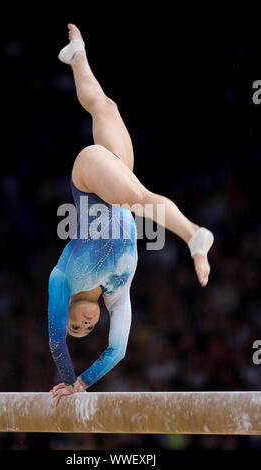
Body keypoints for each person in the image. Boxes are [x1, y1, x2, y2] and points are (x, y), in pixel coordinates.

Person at [49, 24, 214, 405]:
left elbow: (56, 339)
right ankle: (78, 55)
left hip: (89, 180)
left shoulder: (62, 280)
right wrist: (83, 383)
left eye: (76, 324)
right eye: (86, 331)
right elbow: (118, 350)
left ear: (69, 309)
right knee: (106, 107)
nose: (84, 326)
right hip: (118, 183)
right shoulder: (117, 297)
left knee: (140, 198)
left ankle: (194, 236)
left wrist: (67, 375)